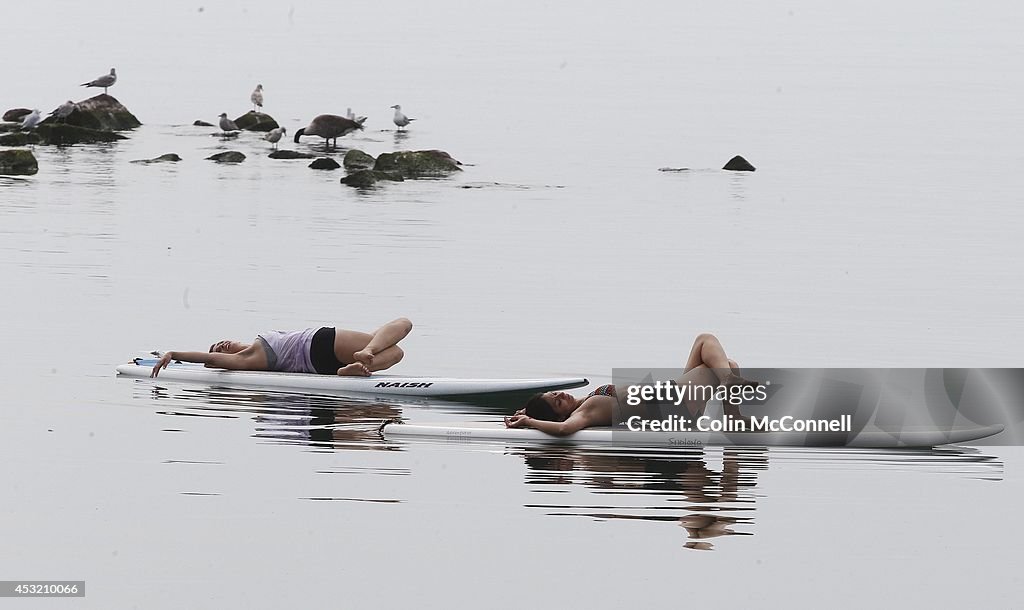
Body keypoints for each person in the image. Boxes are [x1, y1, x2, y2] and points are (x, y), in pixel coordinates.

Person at [504, 332, 754, 436]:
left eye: (553, 393)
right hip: (673, 404)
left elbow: (554, 418)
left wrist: (527, 411)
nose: (561, 394)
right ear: (559, 415)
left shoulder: (582, 402)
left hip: (670, 397)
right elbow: (563, 430)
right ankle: (733, 409)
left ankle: (733, 406)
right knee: (715, 352)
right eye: (557, 401)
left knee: (714, 352)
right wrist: (530, 422)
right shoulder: (583, 413)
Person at [150, 318, 413, 378]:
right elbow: (209, 359)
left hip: (322, 364)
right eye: (220, 348)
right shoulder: (249, 357)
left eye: (221, 340)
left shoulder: (256, 346)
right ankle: (365, 355)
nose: (223, 344)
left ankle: (354, 366)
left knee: (395, 353)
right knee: (404, 324)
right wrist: (174, 354)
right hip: (318, 342)